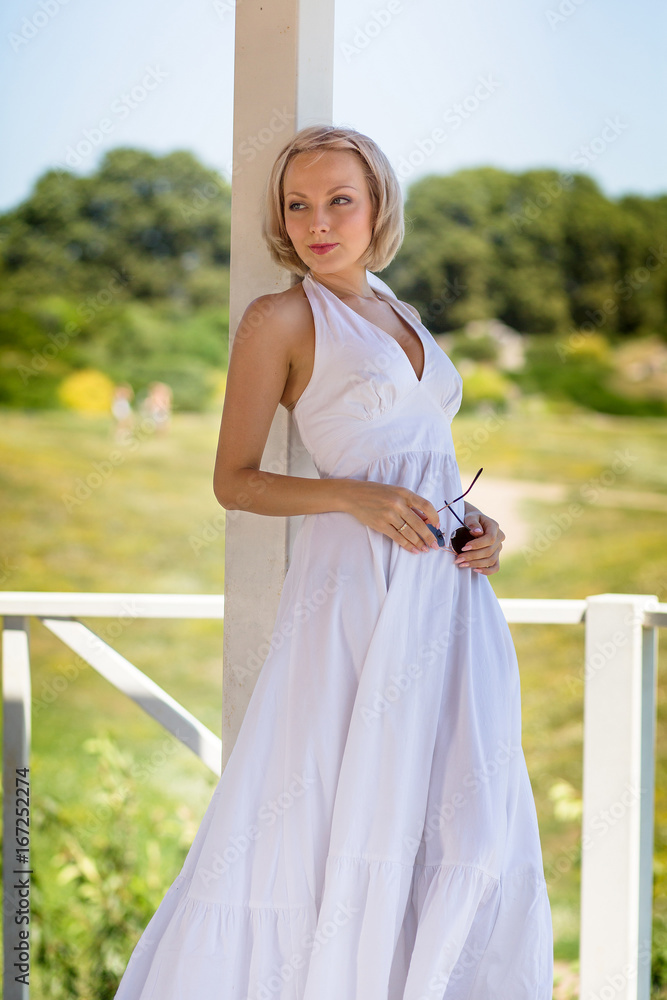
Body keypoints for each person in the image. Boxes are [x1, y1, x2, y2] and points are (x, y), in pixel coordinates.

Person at [113, 124, 554, 999]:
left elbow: (421, 459)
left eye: (339, 200)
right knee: (330, 797)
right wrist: (354, 497)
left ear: (377, 204)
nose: (318, 221)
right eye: (298, 204)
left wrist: (478, 529)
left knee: (463, 811)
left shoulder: (403, 312)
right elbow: (233, 481)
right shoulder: (281, 317)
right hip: (356, 591)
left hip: (445, 595)